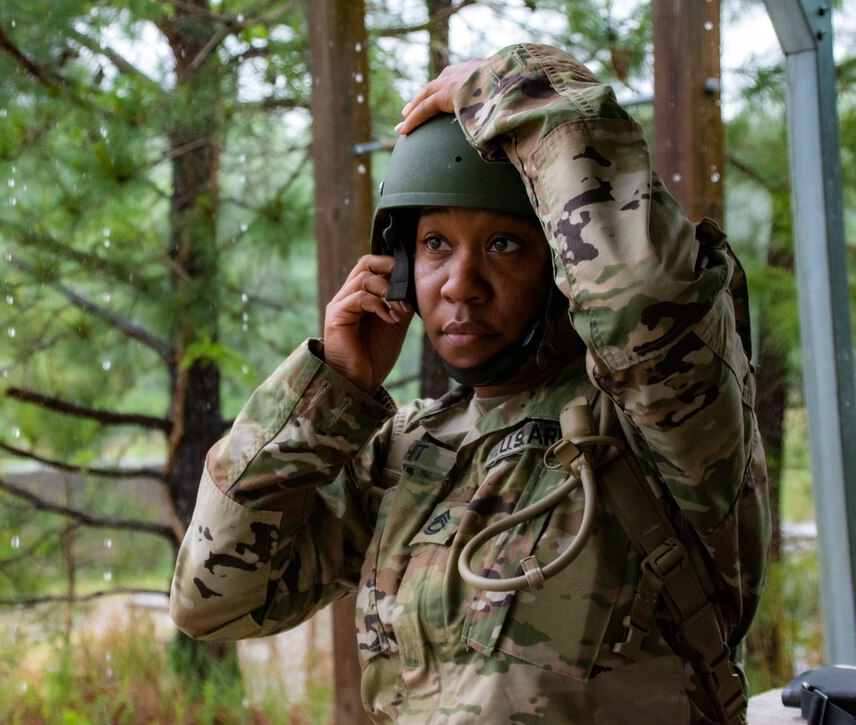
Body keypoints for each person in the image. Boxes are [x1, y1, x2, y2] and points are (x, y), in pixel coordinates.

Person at [170, 43, 770, 724]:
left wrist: (516, 88)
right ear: (396, 268)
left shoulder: (659, 419)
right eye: (434, 246)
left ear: (564, 264)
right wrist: (328, 393)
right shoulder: (410, 453)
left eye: (504, 245)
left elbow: (640, 295)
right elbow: (210, 598)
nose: (460, 283)